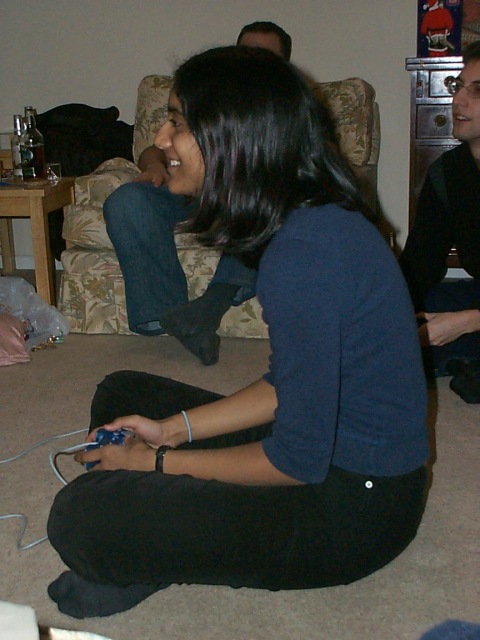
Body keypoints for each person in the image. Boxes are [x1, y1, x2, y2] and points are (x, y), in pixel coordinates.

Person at [47, 46, 429, 620]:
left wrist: (154, 463)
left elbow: (295, 462)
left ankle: (151, 549)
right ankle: (161, 537)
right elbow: (286, 385)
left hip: (356, 510)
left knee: (79, 517)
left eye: (178, 121)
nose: (161, 137)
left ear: (234, 136)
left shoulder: (305, 253)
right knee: (123, 394)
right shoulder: (307, 220)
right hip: (329, 446)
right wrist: (168, 431)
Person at [104, 21, 292, 366]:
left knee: (269, 203)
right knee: (127, 200)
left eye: (263, 56)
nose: (251, 62)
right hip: (192, 193)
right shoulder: (209, 96)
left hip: (248, 201)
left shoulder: (288, 110)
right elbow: (157, 147)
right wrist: (155, 166)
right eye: (245, 53)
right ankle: (172, 316)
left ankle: (210, 305)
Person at [399, 41, 480, 398]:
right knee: (417, 309)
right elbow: (421, 262)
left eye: (477, 91)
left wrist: (468, 321)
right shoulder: (449, 172)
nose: (458, 100)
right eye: (458, 87)